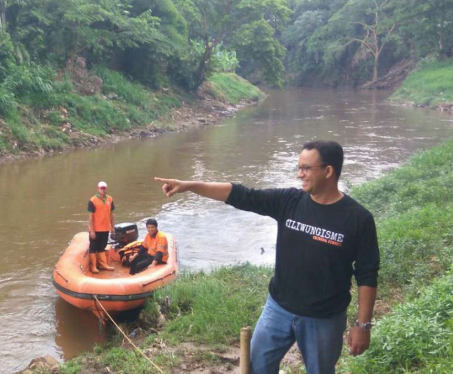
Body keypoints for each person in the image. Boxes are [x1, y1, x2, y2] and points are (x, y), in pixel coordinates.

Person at [155, 140, 379, 374]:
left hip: (324, 318)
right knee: (256, 367)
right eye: (298, 167)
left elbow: (367, 274)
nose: (299, 174)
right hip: (278, 308)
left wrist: (362, 326)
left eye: (305, 168)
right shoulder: (288, 201)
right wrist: (189, 185)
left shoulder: (358, 219)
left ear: (328, 171)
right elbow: (241, 195)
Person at [88, 181, 115, 274]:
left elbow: (111, 214)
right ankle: (94, 266)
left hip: (105, 228)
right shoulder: (92, 200)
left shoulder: (110, 199)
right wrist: (92, 231)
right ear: (97, 189)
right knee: (93, 248)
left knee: (102, 247)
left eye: (104, 188)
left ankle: (104, 264)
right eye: (101, 188)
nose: (103, 190)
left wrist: (112, 227)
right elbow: (90, 217)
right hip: (95, 228)